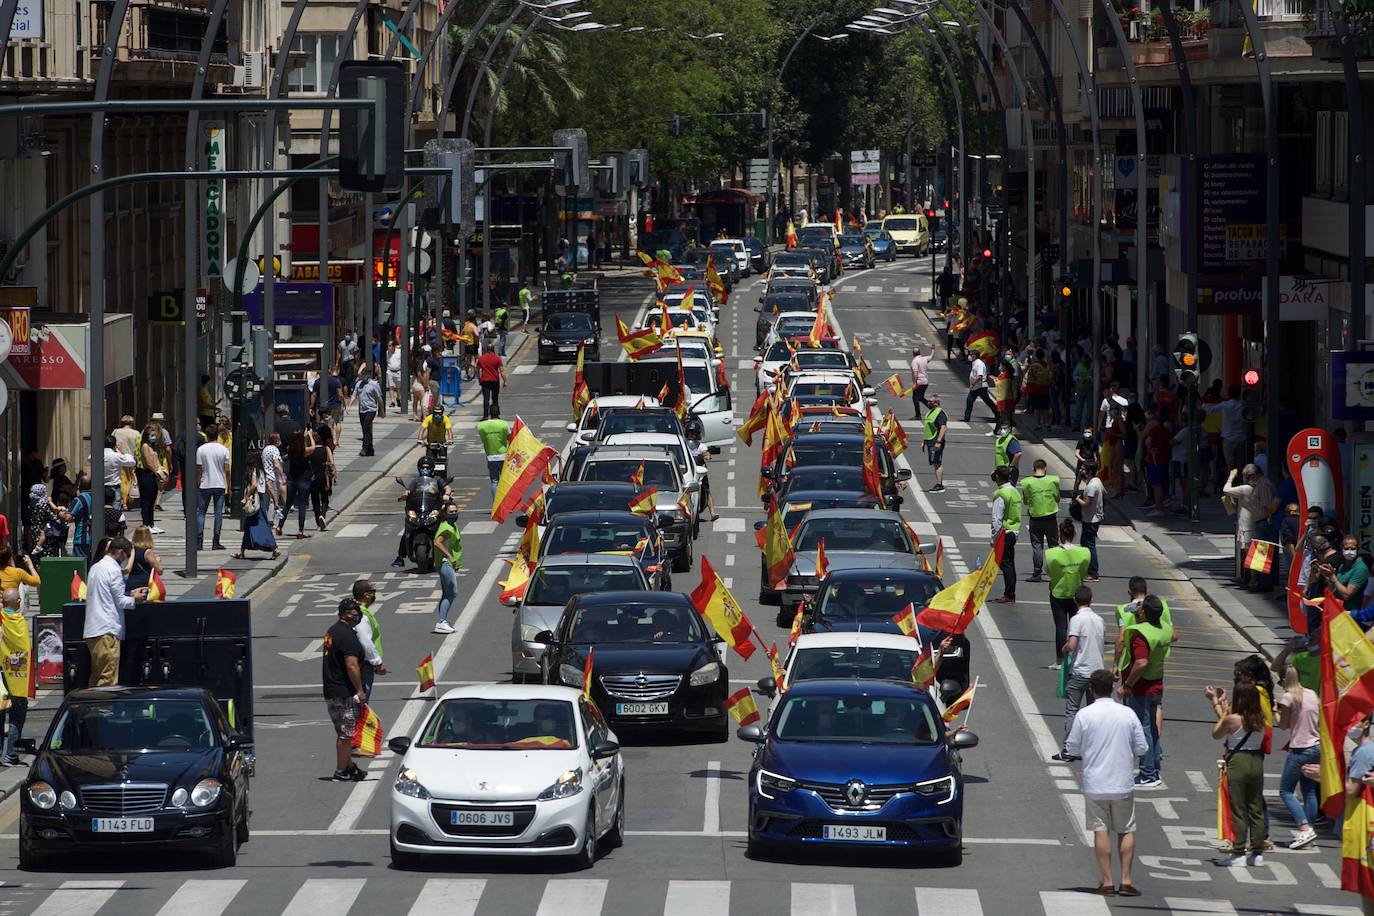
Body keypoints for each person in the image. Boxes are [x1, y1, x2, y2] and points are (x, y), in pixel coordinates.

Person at [1064, 668, 1148, 897]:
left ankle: (1107, 881)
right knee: (1126, 829)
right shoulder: (1127, 713)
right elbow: (1142, 747)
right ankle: (1127, 880)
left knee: (1100, 830)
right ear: (1112, 687)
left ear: (1091, 690)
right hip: (1122, 781)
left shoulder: (1085, 715)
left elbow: (1071, 747)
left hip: (1095, 782)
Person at [1205, 681, 1268, 866]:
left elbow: (1216, 733)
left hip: (1238, 762)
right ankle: (1257, 853)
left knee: (1238, 809)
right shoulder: (1260, 718)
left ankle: (1239, 851)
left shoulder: (1232, 719)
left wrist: (1224, 711)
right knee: (1255, 807)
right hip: (1256, 760)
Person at [1118, 595, 1171, 788]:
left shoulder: (1141, 633)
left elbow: (1141, 662)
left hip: (1142, 687)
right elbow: (1174, 635)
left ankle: (1147, 773)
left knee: (1144, 728)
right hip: (1157, 683)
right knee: (1153, 729)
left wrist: (1127, 685)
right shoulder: (1165, 629)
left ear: (1143, 612)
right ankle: (1154, 768)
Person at [83, 536, 147, 687]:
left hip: (93, 630)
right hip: (107, 631)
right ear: (119, 552)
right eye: (126, 555)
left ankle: (93, 708)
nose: (126, 559)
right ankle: (104, 710)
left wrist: (130, 594)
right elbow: (120, 601)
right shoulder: (114, 570)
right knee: (108, 679)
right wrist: (135, 599)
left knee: (96, 676)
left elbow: (106, 595)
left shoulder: (96, 567)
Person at [1275, 663, 1320, 849]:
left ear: (1285, 679)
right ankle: (1309, 833)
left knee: (1286, 791)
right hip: (1316, 746)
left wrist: (1274, 712)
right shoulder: (1311, 694)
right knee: (1309, 792)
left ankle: (1304, 828)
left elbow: (1283, 725)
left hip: (1299, 748)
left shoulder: (1288, 697)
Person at [1058, 585, 1105, 760]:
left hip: (1080, 670)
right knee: (1095, 712)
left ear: (1075, 601)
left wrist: (1064, 650)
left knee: (1072, 711)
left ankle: (1069, 749)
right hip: (1097, 671)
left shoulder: (1077, 620)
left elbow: (1072, 645)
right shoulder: (1099, 620)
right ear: (1091, 600)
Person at [323, 598, 367, 782]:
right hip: (343, 692)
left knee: (345, 732)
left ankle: (349, 766)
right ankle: (341, 771)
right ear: (345, 614)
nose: (357, 614)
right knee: (345, 734)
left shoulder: (333, 631)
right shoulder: (347, 635)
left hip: (332, 689)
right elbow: (351, 665)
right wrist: (359, 689)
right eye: (354, 611)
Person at [1044, 519, 1091, 670]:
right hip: (1076, 593)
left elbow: (1049, 572)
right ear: (1074, 534)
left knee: (1061, 627)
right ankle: (1077, 656)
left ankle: (1059, 660)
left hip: (1058, 593)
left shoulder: (1052, 554)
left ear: (1060, 535)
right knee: (1076, 627)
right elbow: (1084, 572)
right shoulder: (1084, 552)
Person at [1222, 464, 1276, 584]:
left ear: (1254, 475)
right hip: (1256, 522)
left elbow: (1267, 506)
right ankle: (1253, 579)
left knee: (1255, 553)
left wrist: (1231, 477)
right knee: (1255, 552)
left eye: (1247, 476)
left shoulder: (1260, 486)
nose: (1246, 479)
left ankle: (1255, 580)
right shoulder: (1258, 485)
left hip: (1259, 523)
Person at [0, 587, 30, 766]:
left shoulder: (2, 620)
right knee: (17, 715)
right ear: (18, 601)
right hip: (18, 677)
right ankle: (10, 754)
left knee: (0, 714)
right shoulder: (19, 621)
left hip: (1, 674)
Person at [1021, 459, 1061, 583]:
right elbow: (1058, 498)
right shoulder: (1053, 480)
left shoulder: (1027, 482)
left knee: (1037, 546)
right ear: (1045, 468)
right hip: (1050, 518)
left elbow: (1026, 501)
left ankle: (1037, 573)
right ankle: (1056, 572)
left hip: (1035, 518)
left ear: (1034, 468)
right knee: (1053, 546)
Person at [233, 455, 279, 560]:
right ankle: (242, 552)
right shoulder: (262, 472)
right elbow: (269, 486)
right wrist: (275, 500)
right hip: (261, 500)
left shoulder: (253, 471)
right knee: (248, 527)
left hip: (255, 500)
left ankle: (274, 548)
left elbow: (253, 485)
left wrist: (246, 497)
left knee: (262, 525)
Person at [195, 422, 230, 550]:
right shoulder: (224, 450)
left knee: (201, 513)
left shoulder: (201, 450)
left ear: (207, 436)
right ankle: (216, 541)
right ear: (217, 435)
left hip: (205, 484)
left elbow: (198, 469)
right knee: (218, 514)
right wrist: (228, 485)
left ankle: (199, 541)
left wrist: (198, 483)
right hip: (219, 484)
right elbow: (227, 470)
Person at [350, 580, 387, 698]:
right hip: (364, 665)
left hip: (364, 663)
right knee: (361, 702)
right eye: (373, 592)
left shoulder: (360, 611)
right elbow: (365, 641)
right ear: (366, 595)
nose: (374, 595)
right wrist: (377, 662)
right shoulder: (362, 615)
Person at [990, 466, 1021, 604]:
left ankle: (1009, 594)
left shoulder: (1001, 494)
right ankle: (1010, 593)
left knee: (1006, 564)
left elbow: (996, 519)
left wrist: (994, 539)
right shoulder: (1014, 491)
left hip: (1004, 533)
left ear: (997, 477)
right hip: (1014, 531)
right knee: (1009, 563)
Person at [279, 426, 316, 539]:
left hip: (292, 479)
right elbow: (313, 447)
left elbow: (295, 443)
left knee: (288, 503)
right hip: (304, 479)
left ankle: (279, 526)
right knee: (302, 505)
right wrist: (309, 435)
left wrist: (300, 437)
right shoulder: (304, 451)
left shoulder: (291, 450)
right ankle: (301, 530)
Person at [1202, 384, 1247, 475]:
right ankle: (1240, 481)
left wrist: (1202, 404)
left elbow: (1210, 410)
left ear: (1229, 394)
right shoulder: (1244, 405)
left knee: (1230, 463)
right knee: (1240, 463)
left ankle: (1230, 481)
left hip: (1228, 438)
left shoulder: (1224, 405)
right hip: (1241, 438)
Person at [433, 505, 463, 634]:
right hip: (445, 563)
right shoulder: (447, 528)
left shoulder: (451, 525)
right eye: (451, 512)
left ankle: (442, 621)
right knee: (451, 592)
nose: (454, 513)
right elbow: (437, 542)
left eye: (456, 511)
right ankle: (441, 622)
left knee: (448, 593)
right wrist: (450, 557)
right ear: (445, 513)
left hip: (446, 563)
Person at [1076, 461, 1105, 581]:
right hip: (1091, 518)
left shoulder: (1092, 486)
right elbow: (1105, 493)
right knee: (1084, 544)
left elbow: (1086, 504)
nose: (1081, 470)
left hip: (1091, 520)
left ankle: (1093, 572)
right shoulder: (1096, 481)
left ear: (1090, 471)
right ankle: (1086, 568)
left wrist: (1078, 499)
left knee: (1090, 546)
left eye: (1083, 469)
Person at [134, 423, 165, 534]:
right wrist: (156, 471)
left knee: (152, 500)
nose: (154, 437)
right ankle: (146, 524)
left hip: (153, 475)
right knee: (146, 501)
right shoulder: (145, 446)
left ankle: (151, 523)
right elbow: (147, 462)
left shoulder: (152, 446)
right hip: (147, 474)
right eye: (153, 434)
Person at [477, 407, 511, 499]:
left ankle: (496, 505)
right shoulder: (504, 424)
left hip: (491, 456)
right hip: (504, 455)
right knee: (505, 481)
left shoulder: (481, 425)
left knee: (494, 481)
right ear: (499, 413)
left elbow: (483, 437)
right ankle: (506, 503)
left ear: (489, 413)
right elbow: (510, 438)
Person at [1141, 409, 1170, 516]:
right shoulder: (1165, 430)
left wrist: (1150, 450)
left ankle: (1159, 508)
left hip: (1155, 460)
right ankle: (1160, 505)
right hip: (1163, 459)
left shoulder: (1154, 430)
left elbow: (1147, 441)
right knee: (1160, 484)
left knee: (1156, 485)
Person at [310, 424, 337, 532]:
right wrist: (334, 476)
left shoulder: (310, 451)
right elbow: (332, 463)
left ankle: (318, 520)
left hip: (312, 477)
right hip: (324, 477)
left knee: (315, 500)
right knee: (325, 499)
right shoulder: (326, 449)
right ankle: (322, 515)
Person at [124, 525, 164, 592]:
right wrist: (157, 561)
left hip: (131, 582)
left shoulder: (131, 550)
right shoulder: (147, 552)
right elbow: (159, 571)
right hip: (144, 584)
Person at [354, 366, 382, 457]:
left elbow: (379, 398)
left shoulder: (374, 384)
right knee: (366, 430)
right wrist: (349, 405)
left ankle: (365, 448)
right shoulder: (359, 384)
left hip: (371, 409)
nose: (362, 376)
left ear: (368, 375)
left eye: (364, 374)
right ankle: (370, 449)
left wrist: (382, 410)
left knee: (366, 427)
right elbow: (354, 395)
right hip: (362, 410)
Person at [962, 351, 997, 423]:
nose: (970, 356)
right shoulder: (974, 363)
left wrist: (973, 384)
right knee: (969, 401)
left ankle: (998, 415)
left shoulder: (979, 364)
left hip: (980, 387)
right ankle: (966, 418)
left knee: (988, 402)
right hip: (975, 387)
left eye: (971, 355)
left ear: (975, 356)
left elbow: (979, 376)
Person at [261, 432, 286, 530]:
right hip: (272, 477)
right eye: (279, 439)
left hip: (265, 477)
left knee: (268, 500)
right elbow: (276, 464)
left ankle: (267, 519)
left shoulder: (265, 449)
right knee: (273, 500)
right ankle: (270, 521)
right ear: (276, 440)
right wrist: (282, 475)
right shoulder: (275, 450)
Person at [923, 393, 947, 493]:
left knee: (937, 462)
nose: (928, 403)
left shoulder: (939, 413)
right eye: (928, 401)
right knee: (934, 463)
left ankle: (939, 485)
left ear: (936, 403)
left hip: (935, 441)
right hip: (930, 441)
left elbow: (943, 427)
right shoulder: (930, 412)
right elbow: (927, 428)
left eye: (930, 402)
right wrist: (923, 441)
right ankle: (939, 483)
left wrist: (938, 441)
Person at [476, 344, 508, 421]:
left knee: (486, 399)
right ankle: (496, 414)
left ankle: (485, 416)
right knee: (495, 399)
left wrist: (479, 378)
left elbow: (477, 370)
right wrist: (505, 381)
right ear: (493, 349)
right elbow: (502, 370)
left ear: (487, 349)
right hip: (495, 380)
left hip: (485, 381)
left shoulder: (481, 358)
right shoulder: (497, 358)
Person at [909, 346, 932, 421]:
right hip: (925, 382)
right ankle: (931, 406)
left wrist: (915, 383)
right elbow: (931, 357)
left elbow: (915, 372)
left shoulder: (914, 361)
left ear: (913, 354)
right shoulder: (924, 358)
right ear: (919, 352)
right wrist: (933, 350)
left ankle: (918, 415)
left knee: (915, 398)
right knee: (920, 397)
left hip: (919, 382)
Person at [337, 328, 359, 396]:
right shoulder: (341, 343)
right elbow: (339, 353)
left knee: (349, 377)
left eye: (349, 334)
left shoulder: (353, 344)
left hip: (350, 361)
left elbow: (356, 355)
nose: (348, 336)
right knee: (343, 376)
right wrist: (337, 362)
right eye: (346, 334)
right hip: (343, 362)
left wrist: (356, 364)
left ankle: (349, 392)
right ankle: (344, 391)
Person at [385, 338, 403, 411]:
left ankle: (398, 398)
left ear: (393, 346)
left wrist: (399, 346)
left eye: (390, 346)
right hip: (390, 371)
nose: (389, 347)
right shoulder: (387, 353)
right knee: (391, 387)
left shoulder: (399, 352)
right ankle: (392, 401)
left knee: (398, 387)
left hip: (398, 371)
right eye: (388, 346)